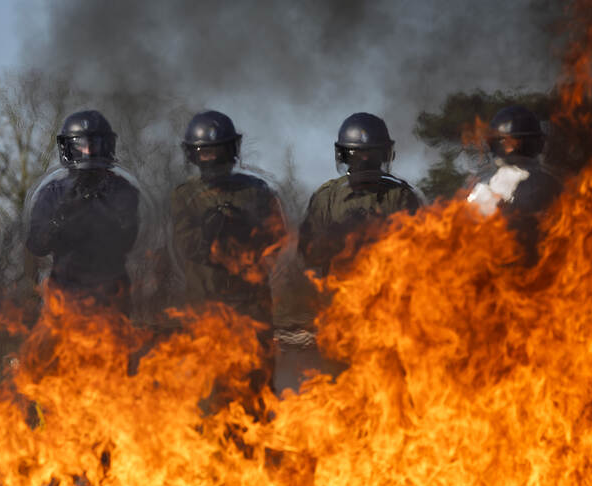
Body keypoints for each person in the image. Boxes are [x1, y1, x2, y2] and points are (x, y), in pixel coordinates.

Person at [170, 110, 286, 402]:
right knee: (208, 391)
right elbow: (184, 246)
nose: (211, 158)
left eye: (217, 151)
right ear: (193, 155)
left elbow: (277, 239)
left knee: (255, 387)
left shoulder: (256, 191)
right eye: (203, 152)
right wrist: (208, 234)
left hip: (251, 307)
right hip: (205, 308)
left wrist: (244, 229)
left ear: (231, 150)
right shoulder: (184, 196)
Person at [26, 110, 141, 314]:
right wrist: (62, 215)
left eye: (94, 144)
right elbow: (37, 245)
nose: (88, 151)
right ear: (68, 147)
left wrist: (98, 203)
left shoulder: (122, 189)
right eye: (80, 144)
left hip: (111, 291)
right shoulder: (52, 192)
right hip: (65, 291)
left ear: (106, 146)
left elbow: (127, 239)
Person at [299, 112, 423, 279]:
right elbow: (307, 256)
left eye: (371, 154)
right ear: (343, 155)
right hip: (341, 294)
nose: (365, 159)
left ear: (384, 154)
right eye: (357, 154)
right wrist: (334, 236)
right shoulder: (328, 197)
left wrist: (379, 232)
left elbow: (418, 253)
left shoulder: (399, 196)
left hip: (389, 293)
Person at [467, 105, 563, 265]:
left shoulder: (483, 185)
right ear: (538, 143)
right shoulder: (555, 184)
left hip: (500, 273)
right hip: (551, 273)